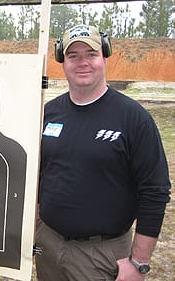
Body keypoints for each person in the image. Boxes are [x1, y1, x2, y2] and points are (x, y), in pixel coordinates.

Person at [35, 24, 171, 281]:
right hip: (48, 246)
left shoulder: (133, 118)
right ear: (63, 63)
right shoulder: (48, 113)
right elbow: (38, 172)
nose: (82, 62)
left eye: (91, 54)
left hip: (101, 255)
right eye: (73, 56)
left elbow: (155, 191)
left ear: (105, 57)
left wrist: (139, 263)